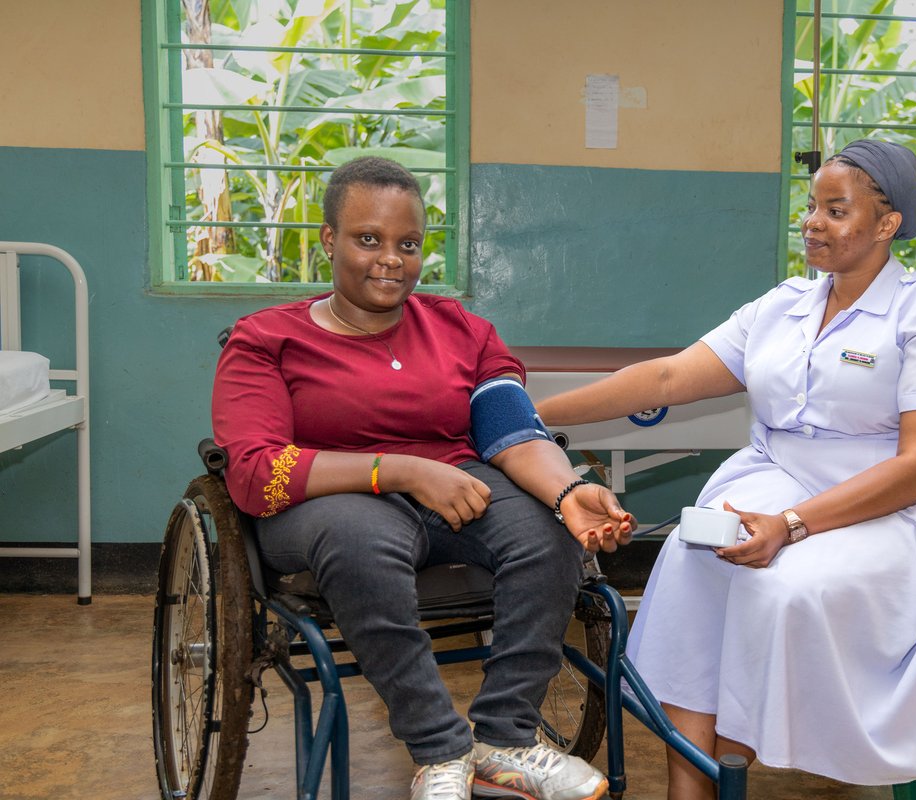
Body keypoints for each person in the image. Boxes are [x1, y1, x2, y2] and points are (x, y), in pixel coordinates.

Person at [536, 139, 916, 797]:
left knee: (779, 589)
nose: (812, 223)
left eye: (836, 210)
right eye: (811, 207)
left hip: (904, 509)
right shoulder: (786, 308)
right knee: (694, 559)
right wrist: (526, 414)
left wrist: (792, 525)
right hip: (785, 482)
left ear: (888, 224)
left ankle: (743, 771)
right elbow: (664, 376)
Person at [212, 156, 635, 800]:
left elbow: (511, 431)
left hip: (453, 486)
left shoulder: (461, 330)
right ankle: (439, 751)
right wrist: (401, 470)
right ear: (329, 240)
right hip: (331, 499)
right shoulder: (266, 340)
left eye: (407, 244)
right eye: (368, 239)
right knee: (362, 545)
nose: (390, 259)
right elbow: (253, 472)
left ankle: (505, 737)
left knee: (547, 536)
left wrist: (569, 492)